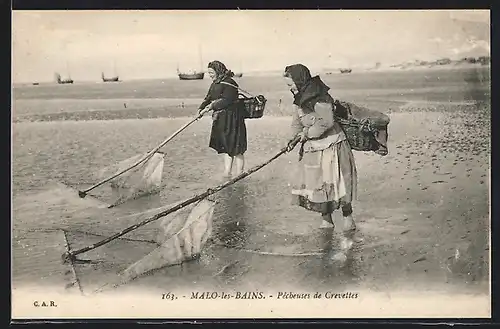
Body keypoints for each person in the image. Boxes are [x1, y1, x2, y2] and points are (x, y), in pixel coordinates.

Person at [284, 64, 360, 248]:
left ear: (300, 80)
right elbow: (296, 123)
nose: (290, 88)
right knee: (317, 183)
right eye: (288, 85)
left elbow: (326, 122)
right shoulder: (299, 99)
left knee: (337, 182)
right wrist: (291, 139)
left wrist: (307, 134)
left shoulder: (320, 96)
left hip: (332, 145)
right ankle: (326, 219)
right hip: (314, 149)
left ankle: (347, 217)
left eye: (291, 84)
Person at [198, 60, 247, 177]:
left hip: (233, 118)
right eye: (208, 72)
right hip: (221, 119)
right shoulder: (215, 84)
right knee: (226, 146)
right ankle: (227, 172)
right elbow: (208, 97)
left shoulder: (230, 83)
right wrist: (201, 109)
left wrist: (210, 107)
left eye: (211, 72)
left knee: (236, 147)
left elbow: (226, 100)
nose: (209, 75)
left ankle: (239, 173)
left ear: (218, 70)